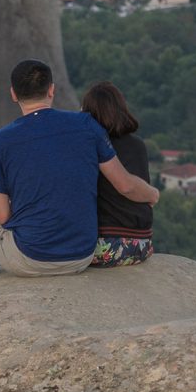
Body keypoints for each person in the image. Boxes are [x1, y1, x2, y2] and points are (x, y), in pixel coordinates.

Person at [0, 59, 159, 285]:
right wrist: (152, 194)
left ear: (13, 94)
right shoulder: (87, 125)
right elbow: (124, 183)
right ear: (51, 90)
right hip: (81, 256)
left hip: (30, 258)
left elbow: (2, 216)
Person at [82, 81, 155, 267]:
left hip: (101, 246)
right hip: (141, 245)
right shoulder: (137, 145)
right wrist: (154, 194)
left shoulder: (87, 147)